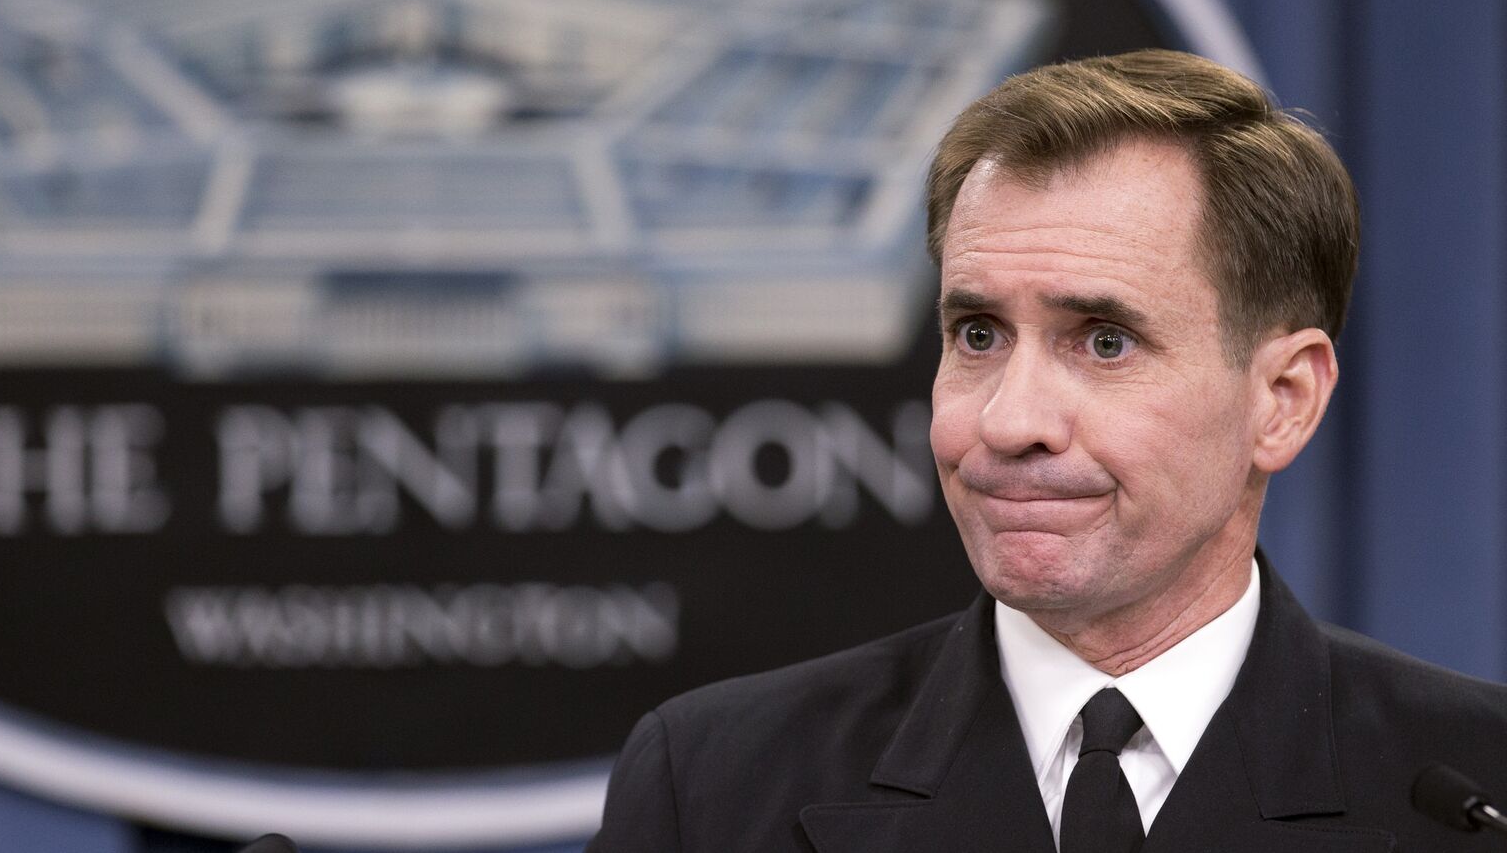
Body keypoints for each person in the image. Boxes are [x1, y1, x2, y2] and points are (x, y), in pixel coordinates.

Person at [586, 49, 1507, 852]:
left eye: (1104, 341)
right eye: (978, 334)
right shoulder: (710, 785)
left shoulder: (1476, 786)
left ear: (1282, 399)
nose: (1007, 420)